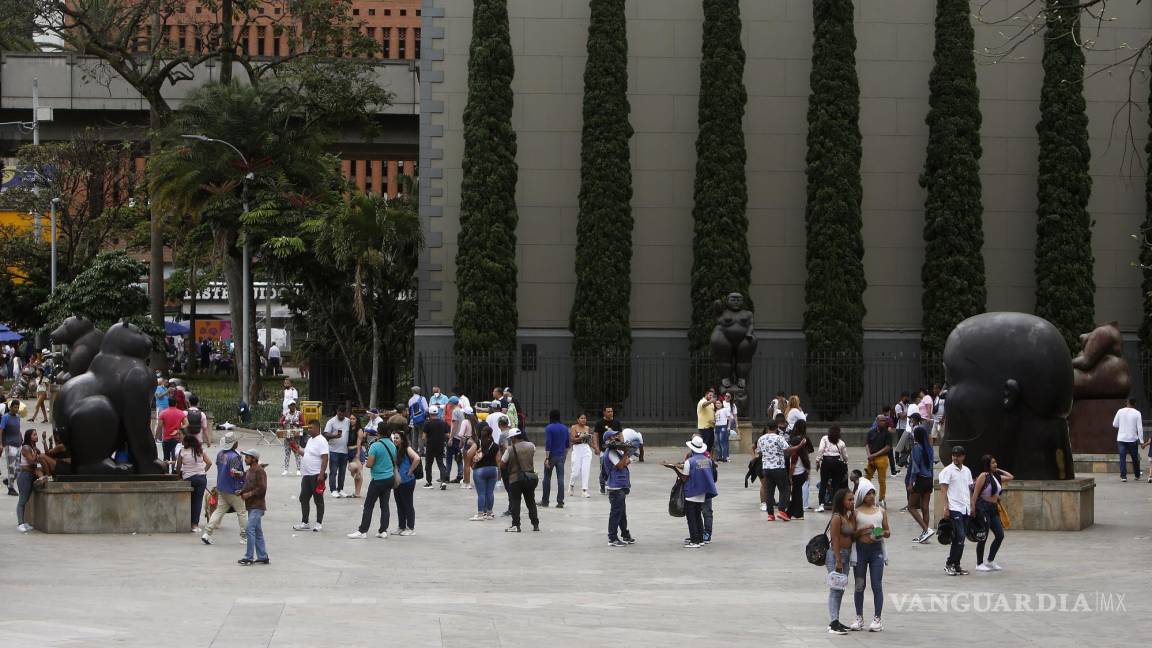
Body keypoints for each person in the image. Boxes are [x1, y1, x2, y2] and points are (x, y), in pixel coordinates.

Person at [848, 478, 889, 632]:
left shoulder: (881, 511)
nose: (871, 496)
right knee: (859, 585)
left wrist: (879, 533)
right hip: (860, 552)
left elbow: (888, 531)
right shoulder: (856, 513)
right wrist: (863, 529)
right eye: (868, 493)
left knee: (876, 585)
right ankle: (859, 618)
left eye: (873, 493)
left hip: (876, 551)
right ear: (862, 495)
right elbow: (851, 534)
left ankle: (877, 618)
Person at [347, 424, 398, 539]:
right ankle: (383, 530)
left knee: (368, 506)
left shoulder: (375, 446)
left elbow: (369, 464)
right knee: (384, 505)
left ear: (378, 433)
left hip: (378, 479)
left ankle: (362, 531)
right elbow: (394, 460)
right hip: (389, 478)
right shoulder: (392, 445)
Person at [668, 435, 717, 548]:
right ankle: (700, 539)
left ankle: (694, 540)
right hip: (702, 492)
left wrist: (674, 468)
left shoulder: (690, 461)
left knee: (691, 517)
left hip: (691, 492)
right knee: (698, 516)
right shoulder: (707, 460)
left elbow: (684, 478)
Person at [201, 432, 248, 544]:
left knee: (219, 510)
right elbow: (235, 474)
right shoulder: (235, 457)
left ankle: (207, 533)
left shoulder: (220, 454)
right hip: (234, 489)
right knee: (241, 512)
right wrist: (244, 474)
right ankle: (244, 536)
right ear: (234, 444)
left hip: (221, 487)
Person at [757, 413, 802, 521]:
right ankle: (782, 511)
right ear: (777, 428)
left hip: (766, 468)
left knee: (769, 491)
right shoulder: (779, 438)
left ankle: (770, 514)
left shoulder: (761, 439)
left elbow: (759, 452)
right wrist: (799, 446)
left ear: (767, 428)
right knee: (784, 489)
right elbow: (787, 450)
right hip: (778, 467)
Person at [972, 455, 1013, 571]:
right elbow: (975, 493)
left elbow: (1010, 477)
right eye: (993, 463)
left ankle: (990, 560)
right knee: (983, 536)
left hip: (993, 508)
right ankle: (979, 563)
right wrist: (973, 507)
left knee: (1000, 535)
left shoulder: (996, 476)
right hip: (983, 508)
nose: (995, 464)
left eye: (996, 462)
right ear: (987, 465)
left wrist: (997, 469)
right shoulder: (983, 476)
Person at [939, 445, 974, 576]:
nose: (955, 457)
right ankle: (949, 563)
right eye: (954, 455)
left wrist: (972, 505)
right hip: (954, 508)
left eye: (958, 455)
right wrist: (946, 507)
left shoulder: (967, 471)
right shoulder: (948, 471)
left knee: (961, 537)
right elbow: (943, 490)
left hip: (965, 507)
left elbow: (969, 489)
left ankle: (957, 564)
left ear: (963, 456)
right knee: (959, 535)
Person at [825, 488, 855, 634]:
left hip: (846, 555)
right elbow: (835, 539)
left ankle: (836, 619)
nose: (852, 502)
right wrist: (838, 560)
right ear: (841, 501)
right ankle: (833, 622)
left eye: (853, 499)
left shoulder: (847, 516)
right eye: (849, 499)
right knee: (835, 589)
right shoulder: (837, 517)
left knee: (840, 589)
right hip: (837, 556)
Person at [291, 421, 329, 532]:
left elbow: (325, 458)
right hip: (307, 474)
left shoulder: (322, 440)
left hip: (316, 474)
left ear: (317, 428)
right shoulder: (310, 440)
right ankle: (305, 522)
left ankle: (318, 523)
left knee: (318, 499)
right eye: (308, 428)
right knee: (303, 498)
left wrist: (321, 474)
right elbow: (306, 454)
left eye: (311, 428)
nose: (309, 430)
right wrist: (296, 448)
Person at [499, 428, 539, 532]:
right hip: (529, 477)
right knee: (531, 502)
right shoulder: (531, 446)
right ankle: (535, 524)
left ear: (513, 438)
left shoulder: (510, 449)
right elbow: (532, 454)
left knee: (515, 502)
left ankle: (516, 525)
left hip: (515, 479)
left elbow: (502, 464)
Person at [602, 428, 634, 547]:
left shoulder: (616, 451)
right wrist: (626, 453)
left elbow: (624, 462)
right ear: (607, 440)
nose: (616, 438)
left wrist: (626, 455)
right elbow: (620, 465)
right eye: (612, 437)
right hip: (615, 487)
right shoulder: (610, 452)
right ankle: (612, 538)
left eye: (616, 436)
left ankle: (625, 535)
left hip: (620, 485)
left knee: (621, 513)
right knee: (616, 513)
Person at [236, 449, 269, 565]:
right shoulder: (249, 471)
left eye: (248, 457)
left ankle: (249, 557)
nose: (245, 459)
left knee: (249, 529)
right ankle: (263, 556)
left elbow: (262, 489)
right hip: (251, 505)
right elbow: (249, 486)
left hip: (257, 506)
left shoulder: (259, 471)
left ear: (254, 459)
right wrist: (241, 492)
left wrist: (248, 494)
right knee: (257, 531)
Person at [176, 433, 212, 533]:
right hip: (201, 479)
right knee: (197, 502)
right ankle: (194, 525)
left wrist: (179, 477)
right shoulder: (200, 450)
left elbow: (178, 467)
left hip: (189, 479)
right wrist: (203, 471)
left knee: (189, 501)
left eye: (183, 441)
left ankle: (185, 522)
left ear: (188, 442)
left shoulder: (182, 451)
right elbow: (209, 463)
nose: (182, 442)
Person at [906, 423, 935, 543]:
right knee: (925, 507)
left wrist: (911, 482)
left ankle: (926, 529)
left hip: (920, 479)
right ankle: (925, 536)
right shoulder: (929, 448)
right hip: (929, 479)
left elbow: (915, 467)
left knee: (911, 507)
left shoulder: (916, 447)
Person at [390, 429, 421, 535]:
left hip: (407, 481)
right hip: (398, 481)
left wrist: (410, 471)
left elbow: (417, 458)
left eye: (397, 438)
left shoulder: (407, 448)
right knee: (399, 504)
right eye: (394, 438)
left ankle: (410, 528)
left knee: (407, 504)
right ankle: (401, 526)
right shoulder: (395, 449)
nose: (395, 440)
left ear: (403, 439)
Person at [15, 429, 44, 532]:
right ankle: (20, 523)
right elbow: (31, 461)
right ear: (29, 437)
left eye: (36, 434)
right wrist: (37, 456)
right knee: (22, 500)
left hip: (31, 475)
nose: (37, 436)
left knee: (26, 500)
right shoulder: (26, 448)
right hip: (25, 476)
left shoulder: (33, 448)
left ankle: (23, 522)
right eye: (34, 435)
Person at [815, 425, 848, 512]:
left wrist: (818, 460)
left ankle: (821, 505)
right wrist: (846, 462)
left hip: (826, 462)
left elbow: (821, 449)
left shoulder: (824, 439)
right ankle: (835, 505)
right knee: (836, 484)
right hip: (837, 462)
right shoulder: (841, 442)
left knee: (823, 483)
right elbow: (845, 456)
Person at [540, 409, 569, 508]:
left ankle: (545, 501)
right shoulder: (565, 428)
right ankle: (560, 501)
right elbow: (567, 445)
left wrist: (547, 458)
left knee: (547, 478)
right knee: (560, 479)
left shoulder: (549, 428)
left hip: (552, 456)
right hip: (561, 456)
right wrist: (564, 456)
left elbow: (548, 443)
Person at [470, 426, 500, 520]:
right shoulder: (495, 445)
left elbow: (469, 454)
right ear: (491, 434)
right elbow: (498, 459)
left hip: (480, 470)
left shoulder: (478, 443)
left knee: (481, 493)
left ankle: (480, 514)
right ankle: (489, 513)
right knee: (490, 492)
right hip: (492, 469)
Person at [863, 414, 892, 506]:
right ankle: (865, 497)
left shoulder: (887, 433)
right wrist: (869, 455)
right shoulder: (871, 432)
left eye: (884, 420)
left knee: (881, 480)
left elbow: (887, 447)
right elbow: (867, 444)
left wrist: (874, 455)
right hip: (871, 458)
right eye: (881, 420)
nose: (884, 422)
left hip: (882, 458)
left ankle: (881, 499)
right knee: (866, 478)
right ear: (877, 421)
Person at [323, 406, 352, 498]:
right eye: (340, 413)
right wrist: (334, 435)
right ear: (337, 411)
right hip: (333, 450)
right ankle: (333, 490)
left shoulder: (348, 421)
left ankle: (340, 489)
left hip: (344, 450)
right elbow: (325, 434)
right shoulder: (331, 421)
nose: (341, 415)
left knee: (342, 471)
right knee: (333, 471)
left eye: (343, 414)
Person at [1113, 398, 1144, 482]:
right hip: (1132, 439)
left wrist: (1123, 426)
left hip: (1121, 438)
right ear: (1135, 404)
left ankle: (1123, 476)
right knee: (1134, 458)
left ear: (1127, 403)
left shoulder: (1120, 411)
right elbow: (1140, 428)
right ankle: (1137, 475)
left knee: (1122, 457)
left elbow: (1114, 424)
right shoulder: (1137, 413)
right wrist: (1142, 441)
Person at [787, 420, 813, 520]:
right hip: (804, 467)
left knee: (796, 493)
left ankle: (794, 513)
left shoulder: (793, 441)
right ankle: (796, 512)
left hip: (797, 471)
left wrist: (789, 476)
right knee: (798, 491)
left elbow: (792, 464)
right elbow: (811, 449)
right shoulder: (805, 438)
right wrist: (804, 454)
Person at [568, 412, 598, 498]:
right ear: (577, 419)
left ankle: (584, 490)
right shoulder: (574, 427)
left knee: (586, 470)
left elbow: (589, 441)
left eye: (585, 418)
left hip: (586, 449)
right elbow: (573, 439)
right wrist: (581, 437)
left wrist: (595, 448)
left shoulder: (587, 428)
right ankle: (571, 485)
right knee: (576, 471)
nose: (583, 420)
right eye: (581, 418)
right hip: (577, 449)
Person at [594, 407, 623, 494]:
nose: (610, 413)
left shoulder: (617, 423)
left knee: (614, 467)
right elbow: (595, 436)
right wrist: (596, 447)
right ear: (604, 413)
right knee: (604, 468)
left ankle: (612, 484)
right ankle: (602, 485)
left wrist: (622, 445)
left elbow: (620, 434)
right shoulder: (599, 423)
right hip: (604, 450)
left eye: (612, 411)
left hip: (615, 449)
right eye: (608, 411)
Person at [422, 405, 450, 489]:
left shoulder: (427, 423)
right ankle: (443, 481)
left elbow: (423, 437)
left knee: (428, 465)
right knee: (440, 463)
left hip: (430, 446)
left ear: (429, 413)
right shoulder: (443, 422)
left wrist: (425, 443)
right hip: (440, 446)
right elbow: (447, 435)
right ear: (437, 413)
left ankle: (429, 482)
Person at [157, 398, 187, 471]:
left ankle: (166, 472)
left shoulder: (163, 413)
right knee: (175, 456)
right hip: (177, 438)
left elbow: (160, 426)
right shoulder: (181, 413)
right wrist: (178, 430)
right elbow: (186, 423)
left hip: (166, 438)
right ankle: (174, 472)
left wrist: (156, 437)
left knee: (166, 457)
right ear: (176, 404)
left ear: (168, 403)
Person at [2, 399, 22, 495]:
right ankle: (11, 488)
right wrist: (1, 444)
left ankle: (8, 480)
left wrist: (21, 438)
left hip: (18, 445)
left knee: (18, 469)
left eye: (18, 407)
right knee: (11, 468)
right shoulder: (5, 417)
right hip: (9, 446)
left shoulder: (18, 417)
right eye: (15, 407)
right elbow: (1, 431)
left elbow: (18, 429)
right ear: (10, 407)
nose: (16, 409)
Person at [280, 401, 303, 476]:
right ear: (289, 406)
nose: (292, 407)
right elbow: (280, 421)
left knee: (297, 452)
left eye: (294, 405)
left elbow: (303, 422)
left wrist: (296, 423)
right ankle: (286, 469)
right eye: (291, 405)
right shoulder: (286, 413)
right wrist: (284, 422)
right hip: (287, 436)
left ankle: (298, 469)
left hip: (296, 437)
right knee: (287, 453)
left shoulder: (299, 413)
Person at [408, 386, 429, 452]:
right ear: (419, 391)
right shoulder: (422, 398)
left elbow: (410, 410)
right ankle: (421, 451)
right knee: (421, 435)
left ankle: (414, 449)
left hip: (414, 420)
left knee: (415, 435)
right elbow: (426, 409)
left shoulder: (410, 400)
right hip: (421, 419)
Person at [695, 388, 716, 452]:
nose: (711, 397)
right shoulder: (702, 401)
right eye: (710, 395)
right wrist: (711, 401)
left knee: (711, 443)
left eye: (712, 396)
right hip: (704, 427)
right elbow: (704, 405)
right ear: (706, 395)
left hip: (711, 426)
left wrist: (714, 420)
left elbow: (712, 412)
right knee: (705, 443)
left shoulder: (712, 403)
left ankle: (708, 458)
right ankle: (704, 457)